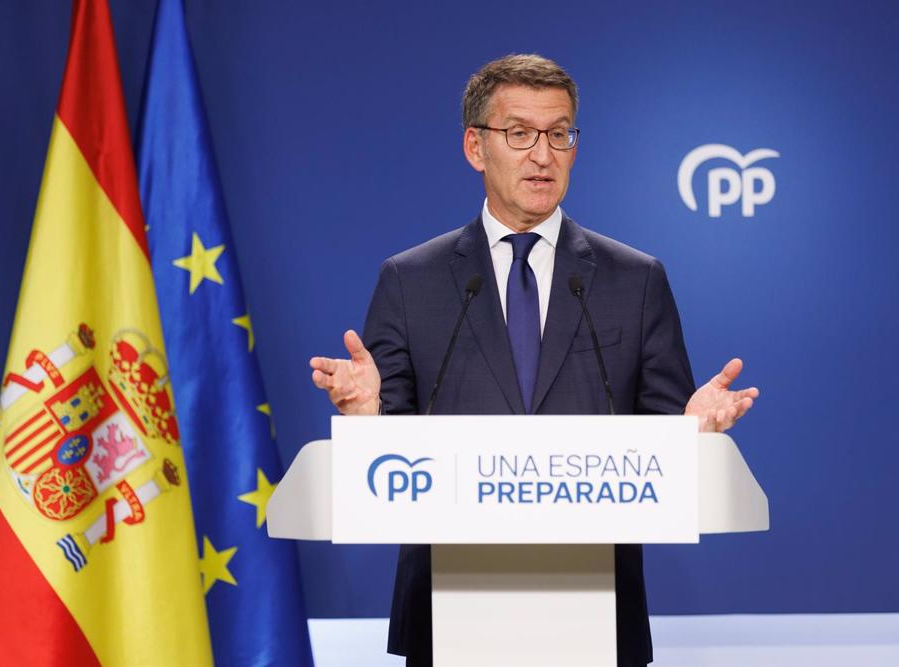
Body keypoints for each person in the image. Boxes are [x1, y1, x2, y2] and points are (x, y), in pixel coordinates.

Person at [310, 54, 759, 667]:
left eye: (560, 134)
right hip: (449, 609)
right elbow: (390, 463)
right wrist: (367, 417)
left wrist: (694, 431)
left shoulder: (635, 279)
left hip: (597, 608)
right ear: (476, 147)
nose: (542, 154)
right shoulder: (411, 280)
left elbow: (665, 448)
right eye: (519, 134)